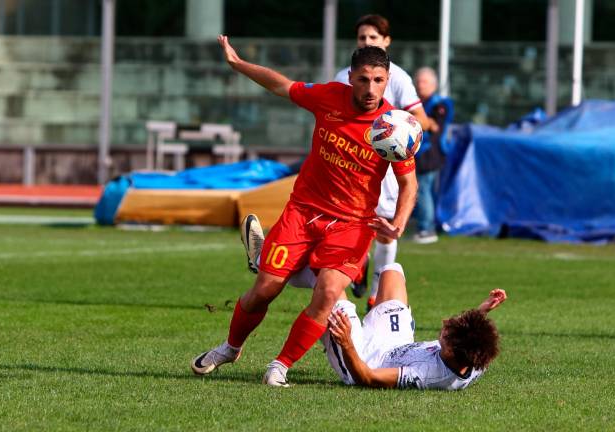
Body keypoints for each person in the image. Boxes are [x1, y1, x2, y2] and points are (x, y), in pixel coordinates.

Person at [191, 36, 418, 388]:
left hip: (352, 224)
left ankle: (280, 366)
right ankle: (231, 348)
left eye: (378, 80)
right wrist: (238, 64)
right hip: (304, 211)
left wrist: (399, 223)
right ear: (351, 78)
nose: (370, 88)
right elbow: (281, 85)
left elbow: (409, 185)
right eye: (363, 79)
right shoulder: (328, 97)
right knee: (264, 289)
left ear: (387, 81)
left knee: (328, 293)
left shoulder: (392, 128)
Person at [333, 14, 432, 309]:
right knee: (345, 224)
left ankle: (375, 293)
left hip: (385, 168)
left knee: (386, 229)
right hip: (350, 166)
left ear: (386, 41)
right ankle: (355, 266)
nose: (367, 42)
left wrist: (398, 128)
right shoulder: (343, 77)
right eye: (362, 38)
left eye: (373, 38)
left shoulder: (399, 78)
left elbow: (422, 121)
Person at [324, 263, 507, 390]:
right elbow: (474, 341)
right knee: (392, 272)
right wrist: (481, 312)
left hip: (364, 360)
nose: (444, 322)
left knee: (330, 286)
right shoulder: (475, 359)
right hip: (395, 345)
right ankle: (359, 270)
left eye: (447, 331)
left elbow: (367, 378)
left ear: (451, 351)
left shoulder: (425, 373)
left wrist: (347, 343)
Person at [411, 67, 454, 244]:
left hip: (430, 155)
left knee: (424, 191)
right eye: (418, 81)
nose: (421, 85)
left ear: (434, 85)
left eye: (425, 82)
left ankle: (427, 229)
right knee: (423, 190)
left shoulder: (439, 104)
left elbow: (435, 127)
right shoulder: (415, 103)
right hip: (418, 153)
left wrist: (421, 122)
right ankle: (424, 225)